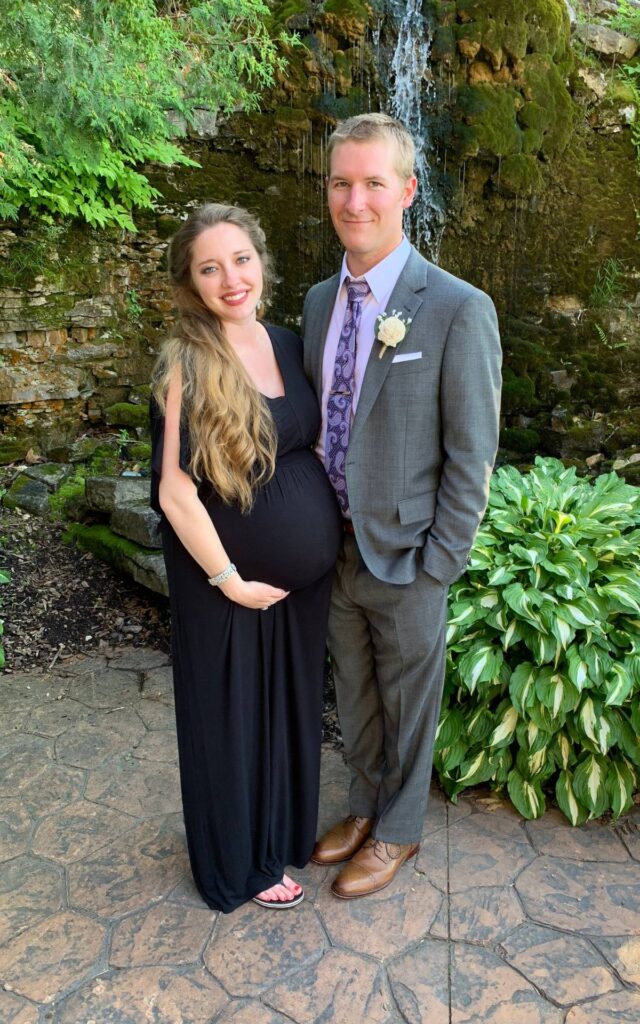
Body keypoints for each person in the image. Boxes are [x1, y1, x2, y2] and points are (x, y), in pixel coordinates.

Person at [302, 113, 502, 899]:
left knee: (409, 703)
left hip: (411, 554)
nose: (356, 201)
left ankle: (400, 831)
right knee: (353, 694)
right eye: (341, 183)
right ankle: (361, 806)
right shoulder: (320, 302)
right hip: (334, 548)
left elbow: (472, 451)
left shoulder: (457, 307)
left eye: (373, 183)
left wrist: (439, 564)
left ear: (407, 191)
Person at [150, 203, 342, 913]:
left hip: (303, 586)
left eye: (240, 259)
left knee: (287, 712)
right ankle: (238, 862)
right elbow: (174, 492)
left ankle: (280, 834)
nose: (231, 278)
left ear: (261, 261)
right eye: (210, 267)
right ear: (191, 283)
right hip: (230, 582)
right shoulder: (188, 364)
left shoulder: (289, 343)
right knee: (232, 720)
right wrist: (228, 579)